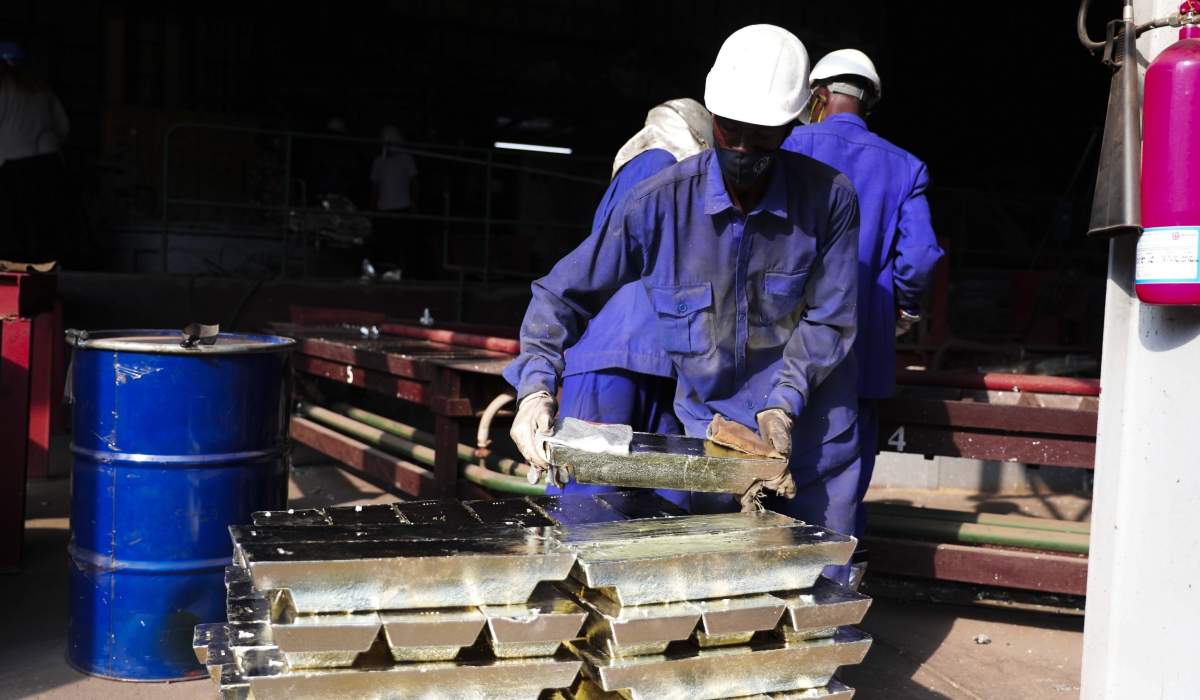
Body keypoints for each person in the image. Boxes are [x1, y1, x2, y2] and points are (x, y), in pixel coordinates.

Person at [503, 25, 864, 584]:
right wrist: (534, 389)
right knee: (722, 597)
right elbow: (559, 295)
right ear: (712, 115)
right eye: (730, 130)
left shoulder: (830, 200)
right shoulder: (657, 204)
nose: (742, 149)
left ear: (793, 125)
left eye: (762, 135)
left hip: (812, 434)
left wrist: (783, 401)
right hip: (714, 440)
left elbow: (830, 318)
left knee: (818, 591)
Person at [782, 49, 944, 587]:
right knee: (838, 491)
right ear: (867, 103)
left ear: (818, 96)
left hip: (775, 350)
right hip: (860, 351)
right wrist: (902, 308)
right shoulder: (904, 165)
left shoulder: (781, 145)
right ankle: (825, 608)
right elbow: (920, 256)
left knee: (757, 474)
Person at [549, 98, 712, 496]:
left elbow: (598, 268)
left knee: (585, 508)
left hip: (615, 353)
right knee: (663, 514)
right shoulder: (664, 165)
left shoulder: (647, 163)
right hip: (668, 357)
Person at [0, 41, 74, 263]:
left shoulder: (4, 89)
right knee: (44, 230)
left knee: (15, 231)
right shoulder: (42, 90)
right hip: (49, 165)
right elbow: (63, 127)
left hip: (14, 165)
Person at [368, 126, 420, 271]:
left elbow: (414, 182)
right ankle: (386, 271)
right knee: (385, 243)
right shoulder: (379, 161)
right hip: (384, 208)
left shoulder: (406, 159)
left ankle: (403, 271)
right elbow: (375, 186)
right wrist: (372, 207)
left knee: (403, 244)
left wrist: (414, 203)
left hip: (402, 207)